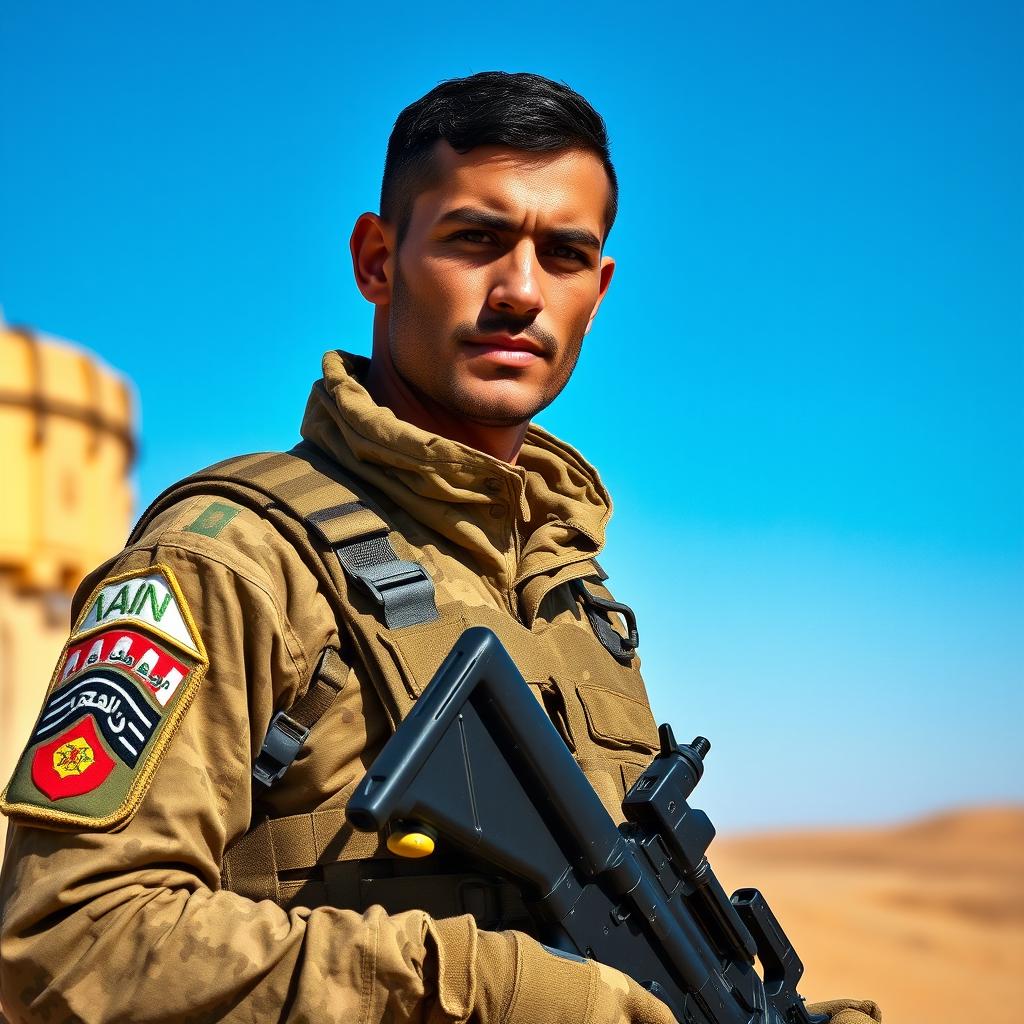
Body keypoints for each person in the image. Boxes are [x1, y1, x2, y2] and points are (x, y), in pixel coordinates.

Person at [0, 72, 881, 1024]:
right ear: (378, 261)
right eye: (477, 239)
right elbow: (68, 942)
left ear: (600, 289)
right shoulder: (234, 561)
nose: (521, 292)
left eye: (565, 254)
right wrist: (492, 991)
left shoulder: (569, 593)